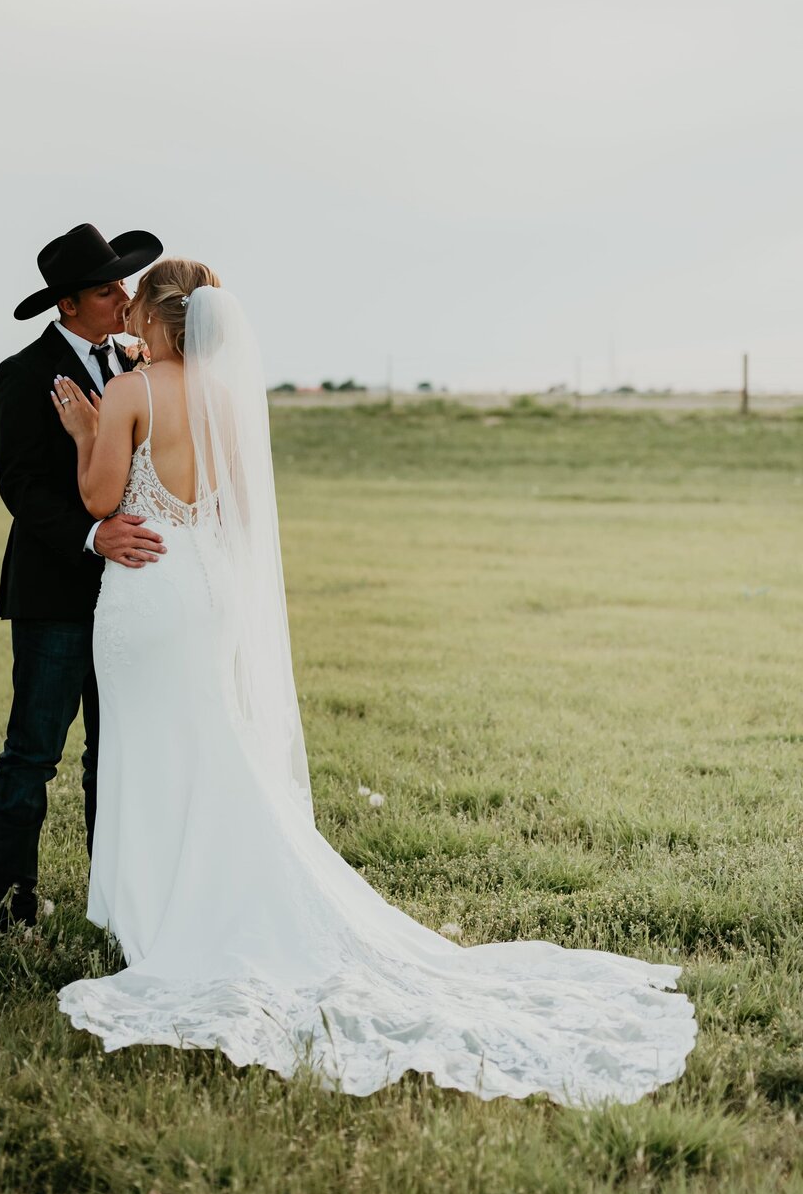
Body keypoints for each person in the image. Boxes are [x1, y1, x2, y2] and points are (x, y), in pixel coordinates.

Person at [50, 258, 697, 1103]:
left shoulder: (135, 391)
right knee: (208, 746)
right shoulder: (226, 401)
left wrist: (82, 434)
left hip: (147, 592)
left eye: (136, 302)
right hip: (203, 590)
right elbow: (239, 517)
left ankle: (155, 911)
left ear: (162, 321)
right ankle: (201, 893)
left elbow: (102, 500)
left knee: (152, 748)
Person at [0, 222, 166, 931]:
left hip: (130, 597)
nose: (122, 295)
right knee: (33, 752)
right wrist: (93, 534)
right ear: (67, 305)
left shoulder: (135, 365)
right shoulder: (22, 374)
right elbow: (21, 488)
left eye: (120, 283)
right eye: (104, 288)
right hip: (55, 591)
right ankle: (6, 907)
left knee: (111, 757)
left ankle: (110, 899)